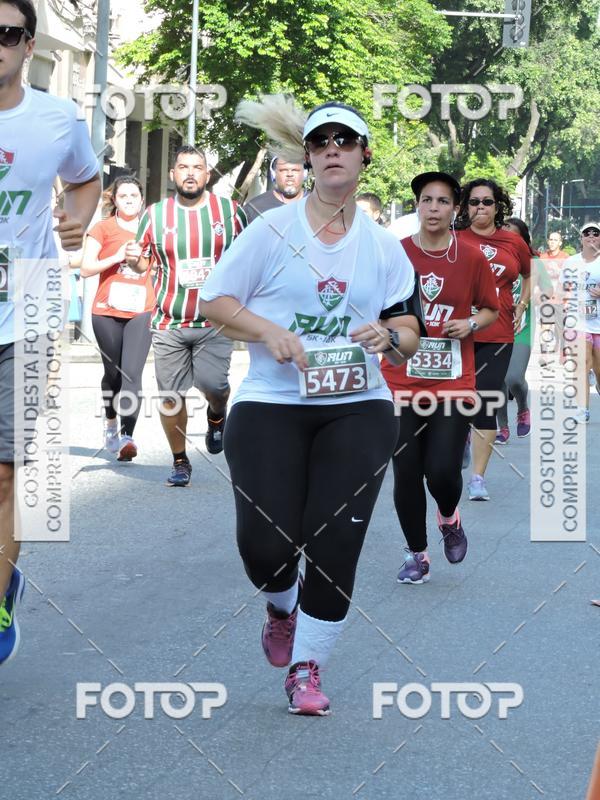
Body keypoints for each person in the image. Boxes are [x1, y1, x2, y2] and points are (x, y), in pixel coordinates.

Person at [199, 96, 421, 715]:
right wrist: (267, 332)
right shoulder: (271, 231)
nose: (331, 150)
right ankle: (280, 606)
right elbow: (216, 302)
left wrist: (389, 337)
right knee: (266, 547)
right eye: (320, 141)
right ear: (307, 155)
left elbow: (409, 330)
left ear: (363, 157)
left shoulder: (383, 245)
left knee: (335, 542)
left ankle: (307, 666)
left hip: (358, 405)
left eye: (344, 141)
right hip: (272, 402)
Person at [0, 0, 100, 664]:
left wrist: (77, 223)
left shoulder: (58, 119)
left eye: (6, 34)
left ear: (29, 45)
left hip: (27, 315)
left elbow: (86, 181)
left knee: (7, 476)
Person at [382, 172, 498, 584]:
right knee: (407, 471)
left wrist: (469, 323)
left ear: (455, 209)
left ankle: (449, 517)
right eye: (427, 200)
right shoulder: (394, 254)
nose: (434, 208)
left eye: (443, 201)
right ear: (417, 205)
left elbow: (491, 309)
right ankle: (417, 554)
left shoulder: (470, 257)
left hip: (452, 382)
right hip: (400, 381)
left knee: (443, 471)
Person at [127, 145, 247, 486]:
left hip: (215, 320)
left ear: (207, 175)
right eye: (183, 167)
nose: (190, 173)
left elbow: (250, 259)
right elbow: (141, 263)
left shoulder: (230, 212)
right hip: (169, 320)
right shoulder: (155, 214)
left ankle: (216, 414)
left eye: (197, 167)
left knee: (214, 385)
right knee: (169, 397)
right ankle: (180, 461)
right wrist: (134, 257)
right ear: (173, 174)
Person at [456, 179, 531, 500]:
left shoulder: (513, 242)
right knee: (458, 401)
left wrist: (522, 304)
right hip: (456, 332)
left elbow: (530, 274)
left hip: (498, 332)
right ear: (465, 206)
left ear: (498, 206)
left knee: (486, 400)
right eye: (474, 202)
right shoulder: (453, 239)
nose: (481, 208)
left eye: (487, 202)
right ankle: (458, 444)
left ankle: (477, 478)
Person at [81, 176, 154, 461]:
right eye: (123, 196)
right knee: (113, 375)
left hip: (141, 309)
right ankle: (111, 422)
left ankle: (127, 436)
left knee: (131, 373)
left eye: (134, 196)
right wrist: (117, 256)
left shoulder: (151, 227)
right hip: (106, 311)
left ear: (141, 199)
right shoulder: (103, 228)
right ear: (115, 200)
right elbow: (86, 268)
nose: (129, 201)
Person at [495, 218, 548, 442]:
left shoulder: (533, 261)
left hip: (521, 329)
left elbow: (548, 291)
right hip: (494, 327)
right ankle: (503, 427)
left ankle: (523, 407)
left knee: (513, 378)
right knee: (496, 380)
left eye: (514, 235)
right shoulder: (492, 258)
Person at [560, 222, 600, 422]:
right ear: (581, 238)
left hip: (599, 324)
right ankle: (582, 408)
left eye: (596, 233)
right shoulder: (571, 262)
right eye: (587, 233)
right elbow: (562, 290)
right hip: (578, 322)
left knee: (599, 368)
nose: (591, 236)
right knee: (582, 363)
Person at [243, 156, 305, 224]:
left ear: (305, 174)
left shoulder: (316, 204)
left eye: (295, 170)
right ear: (274, 174)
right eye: (283, 170)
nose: (290, 174)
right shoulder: (253, 208)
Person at [539, 231, 569, 365]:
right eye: (550, 239)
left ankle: (562, 352)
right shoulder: (542, 257)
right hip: (546, 299)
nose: (552, 242)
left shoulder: (566, 258)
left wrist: (568, 298)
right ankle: (544, 355)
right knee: (545, 327)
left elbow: (570, 280)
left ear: (560, 243)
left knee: (560, 329)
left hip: (561, 300)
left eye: (555, 240)